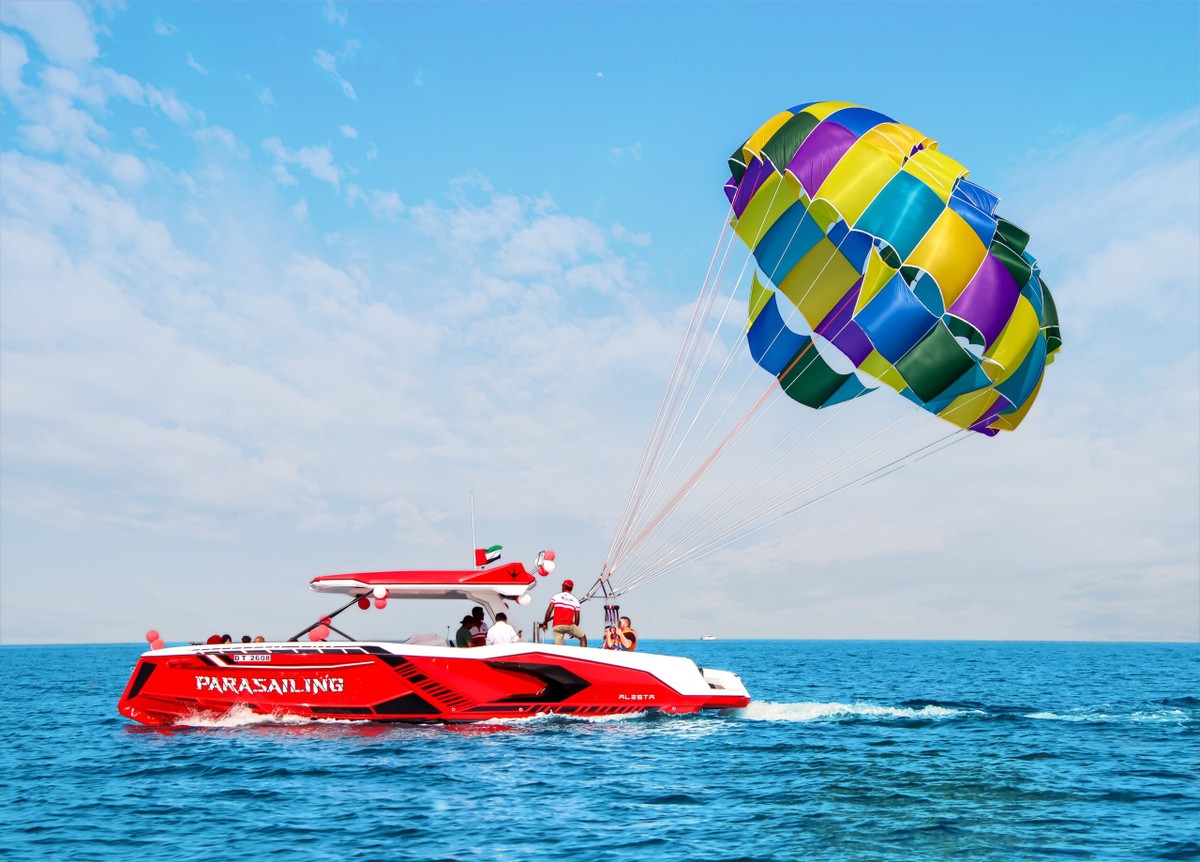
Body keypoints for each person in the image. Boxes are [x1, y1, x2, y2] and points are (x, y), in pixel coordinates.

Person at [541, 579, 587, 647]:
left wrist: (545, 623)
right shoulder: (575, 600)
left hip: (557, 626)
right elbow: (577, 619)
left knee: (559, 648)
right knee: (583, 637)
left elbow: (549, 611)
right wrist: (574, 631)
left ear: (564, 587)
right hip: (569, 625)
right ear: (571, 589)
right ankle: (583, 653)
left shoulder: (556, 597)